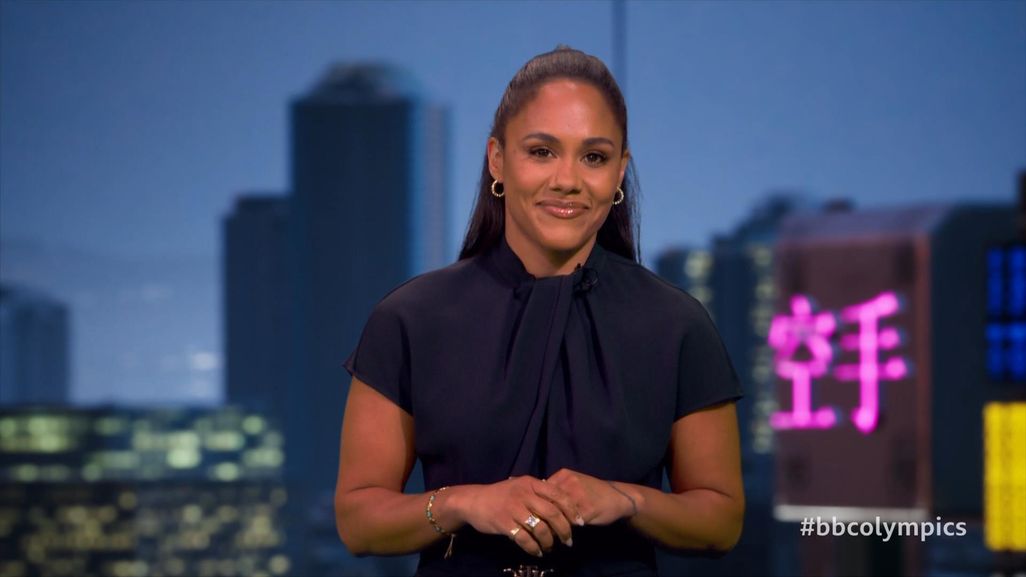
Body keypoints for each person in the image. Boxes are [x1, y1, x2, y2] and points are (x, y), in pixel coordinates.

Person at [335, 45, 744, 577]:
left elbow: (721, 521)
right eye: (542, 151)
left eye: (594, 157)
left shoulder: (676, 324)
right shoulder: (410, 319)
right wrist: (464, 503)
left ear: (620, 171)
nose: (567, 179)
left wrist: (626, 500)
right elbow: (359, 521)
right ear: (497, 159)